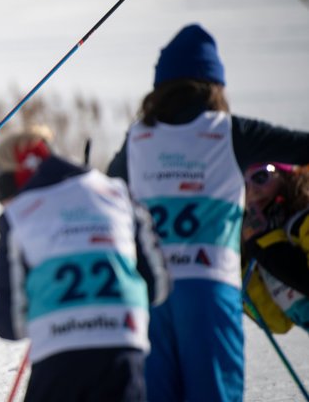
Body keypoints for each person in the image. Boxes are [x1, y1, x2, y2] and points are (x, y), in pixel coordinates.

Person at [106, 23, 309, 401]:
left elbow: (105, 196)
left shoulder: (138, 138)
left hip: (151, 294)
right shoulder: (230, 131)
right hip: (208, 288)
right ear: (214, 85)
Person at [0, 126, 170, 402]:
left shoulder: (17, 216)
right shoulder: (118, 194)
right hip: (123, 351)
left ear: (12, 181)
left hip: (58, 360)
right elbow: (157, 287)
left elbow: (8, 323)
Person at [241, 162, 309, 334]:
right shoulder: (259, 241)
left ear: (285, 175)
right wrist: (238, 265)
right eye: (242, 186)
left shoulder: (303, 220)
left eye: (261, 177)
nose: (252, 191)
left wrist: (265, 242)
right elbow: (278, 321)